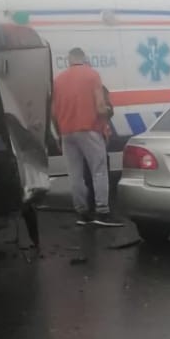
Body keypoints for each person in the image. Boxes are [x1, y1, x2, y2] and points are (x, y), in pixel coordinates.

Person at [52, 47, 122, 227]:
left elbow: (53, 113)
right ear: (84, 59)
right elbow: (100, 107)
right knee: (98, 170)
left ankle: (82, 213)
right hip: (89, 129)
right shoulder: (92, 76)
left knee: (75, 174)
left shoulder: (58, 80)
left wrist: (60, 131)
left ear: (69, 60)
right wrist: (106, 112)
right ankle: (102, 211)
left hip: (66, 132)